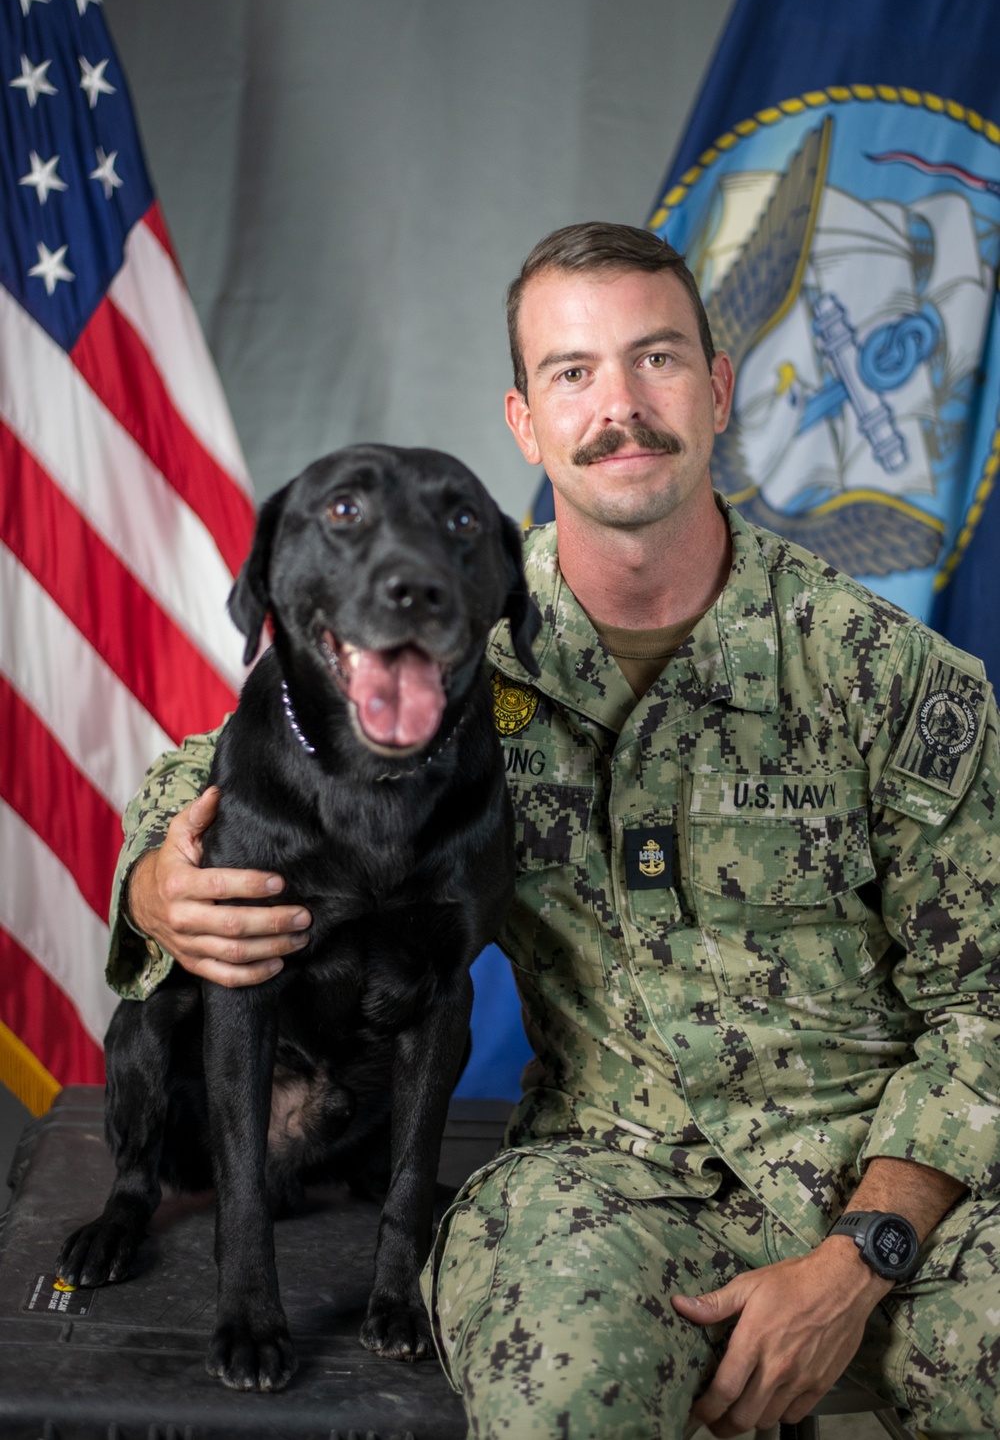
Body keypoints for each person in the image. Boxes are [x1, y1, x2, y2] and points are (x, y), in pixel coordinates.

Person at [107, 224, 1000, 1439]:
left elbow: (987, 999)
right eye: (574, 373)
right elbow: (229, 767)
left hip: (895, 1192)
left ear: (721, 387)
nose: (620, 406)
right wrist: (157, 888)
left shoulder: (889, 676)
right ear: (526, 423)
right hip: (600, 1185)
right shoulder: (449, 631)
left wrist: (863, 1251)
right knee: (559, 1405)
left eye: (658, 360)